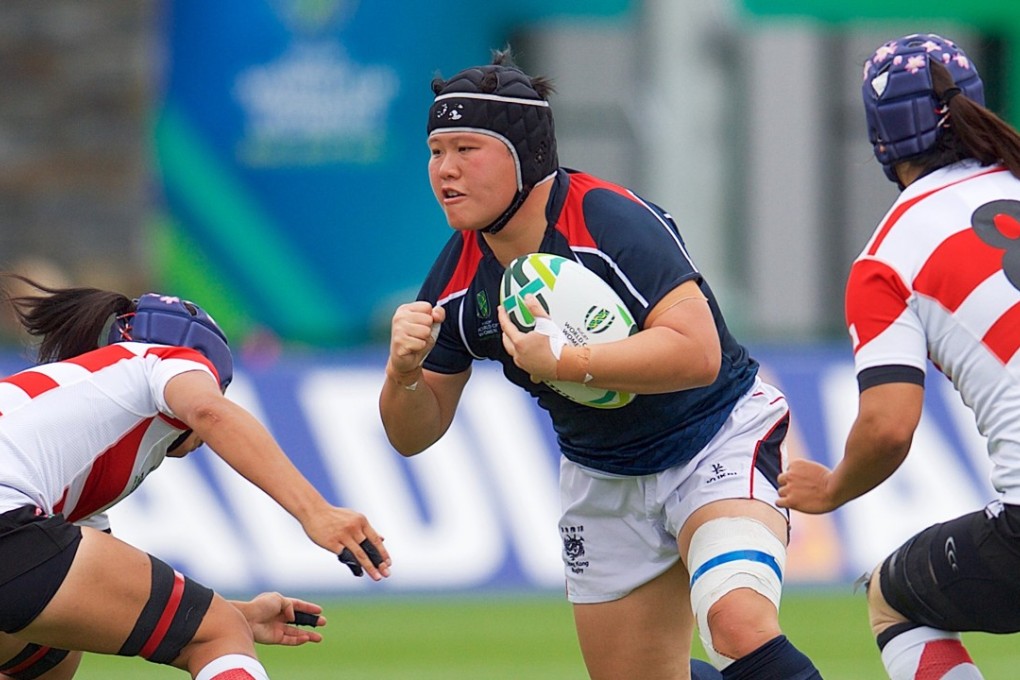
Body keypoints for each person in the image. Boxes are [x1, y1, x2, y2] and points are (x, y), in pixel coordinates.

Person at [379, 49, 821, 680]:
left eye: (466, 149)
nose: (443, 171)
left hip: (713, 441)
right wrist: (403, 373)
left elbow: (699, 354)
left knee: (736, 625)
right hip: (602, 476)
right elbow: (411, 433)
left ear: (525, 155)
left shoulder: (606, 218)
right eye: (435, 151)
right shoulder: (456, 277)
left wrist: (568, 360)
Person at [0, 274, 391, 680]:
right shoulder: (161, 358)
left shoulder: (67, 433)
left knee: (50, 655)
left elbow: (108, 598)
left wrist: (236, 612)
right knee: (218, 635)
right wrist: (317, 512)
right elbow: (208, 412)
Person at [777, 33, 1020, 680]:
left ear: (881, 136)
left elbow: (887, 427)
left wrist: (830, 488)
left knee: (894, 598)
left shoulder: (888, 256)